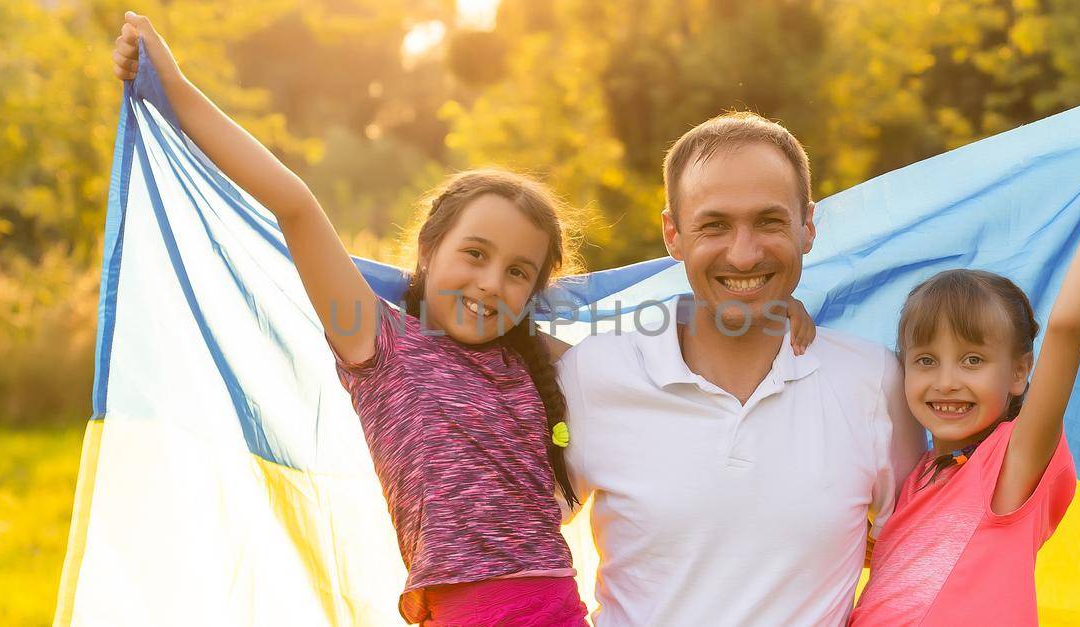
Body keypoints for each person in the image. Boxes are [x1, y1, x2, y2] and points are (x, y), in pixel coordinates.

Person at [113, 13, 590, 625]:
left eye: (519, 272)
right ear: (428, 251)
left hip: (560, 608)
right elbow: (295, 205)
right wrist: (173, 85)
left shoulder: (534, 360)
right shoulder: (382, 342)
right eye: (474, 254)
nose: (491, 283)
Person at [554, 112, 928, 626]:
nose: (745, 254)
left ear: (808, 227)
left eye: (769, 221)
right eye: (714, 225)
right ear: (673, 234)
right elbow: (504, 542)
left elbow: (912, 574)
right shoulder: (592, 373)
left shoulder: (878, 383)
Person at [849, 110, 1080, 626]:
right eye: (925, 361)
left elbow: (1067, 329)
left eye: (973, 360)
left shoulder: (1010, 464)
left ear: (1020, 374)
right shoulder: (911, 480)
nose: (947, 380)